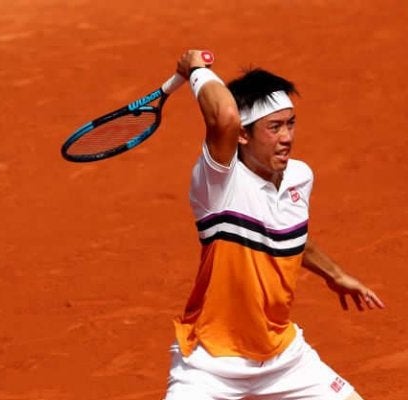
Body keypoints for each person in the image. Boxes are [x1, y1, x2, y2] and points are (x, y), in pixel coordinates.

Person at [164, 49, 385, 400]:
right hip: (210, 363)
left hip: (282, 356)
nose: (287, 137)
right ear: (242, 135)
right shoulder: (218, 183)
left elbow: (285, 234)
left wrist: (334, 274)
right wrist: (196, 70)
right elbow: (224, 116)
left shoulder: (299, 176)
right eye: (274, 127)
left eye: (290, 123)